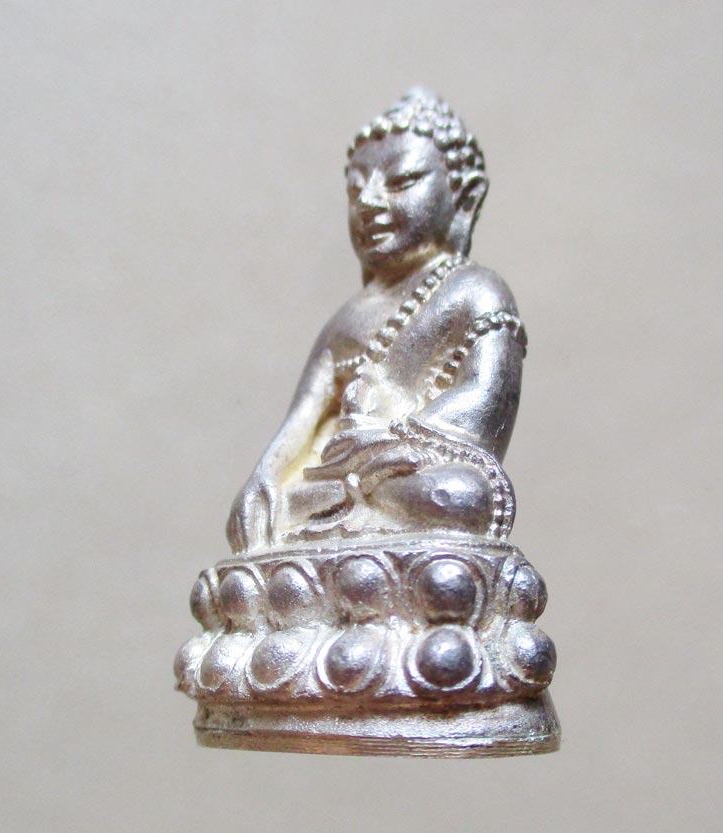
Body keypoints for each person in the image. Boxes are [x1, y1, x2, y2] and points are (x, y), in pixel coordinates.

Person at [226, 89, 527, 553]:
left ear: (464, 198)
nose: (368, 201)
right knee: (271, 508)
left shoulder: (476, 290)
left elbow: (486, 395)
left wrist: (391, 441)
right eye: (355, 189)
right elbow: (301, 421)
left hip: (407, 469)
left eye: (400, 181)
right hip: (337, 477)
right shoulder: (346, 321)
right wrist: (264, 477)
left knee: (463, 495)